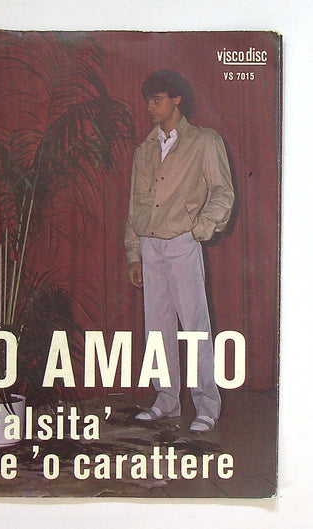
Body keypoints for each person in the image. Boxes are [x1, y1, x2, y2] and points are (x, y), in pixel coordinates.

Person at [124, 69, 234, 433]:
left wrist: (199, 229)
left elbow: (223, 192)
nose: (150, 108)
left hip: (182, 243)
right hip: (150, 244)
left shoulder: (203, 141)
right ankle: (166, 399)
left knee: (195, 326)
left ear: (177, 100)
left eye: (157, 100)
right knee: (157, 328)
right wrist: (134, 253)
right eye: (148, 101)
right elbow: (135, 205)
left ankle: (206, 405)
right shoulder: (145, 149)